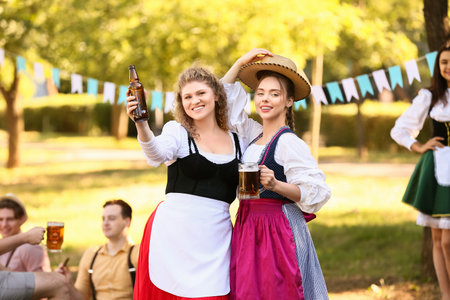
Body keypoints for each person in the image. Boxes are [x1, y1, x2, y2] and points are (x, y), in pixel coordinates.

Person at [222, 48, 331, 300]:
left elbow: (317, 193)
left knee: (280, 291)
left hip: (277, 229)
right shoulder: (253, 134)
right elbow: (222, 106)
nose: (265, 99)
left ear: (288, 101)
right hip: (248, 224)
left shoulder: (288, 143)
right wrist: (239, 64)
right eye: (260, 93)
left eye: (274, 94)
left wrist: (276, 184)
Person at [126, 67, 244, 299]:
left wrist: (240, 64)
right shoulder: (178, 132)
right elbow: (155, 155)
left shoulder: (239, 140)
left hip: (216, 240)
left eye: (201, 93)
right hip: (172, 236)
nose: (194, 101)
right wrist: (141, 124)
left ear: (217, 95)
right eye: (187, 97)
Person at [390, 42, 450, 300]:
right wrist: (418, 146)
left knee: (448, 241)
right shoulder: (430, 96)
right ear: (438, 65)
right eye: (445, 62)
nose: (448, 67)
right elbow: (399, 129)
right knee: (439, 240)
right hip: (438, 167)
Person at [57, 199, 139, 300]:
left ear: (127, 222)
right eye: (103, 219)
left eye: (111, 218)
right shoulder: (91, 254)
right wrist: (67, 283)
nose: (106, 223)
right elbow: (81, 297)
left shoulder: (137, 253)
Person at [0, 226, 70, 300]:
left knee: (55, 280)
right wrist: (27, 237)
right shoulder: (28, 248)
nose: (4, 224)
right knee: (59, 284)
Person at [0, 193, 51, 272]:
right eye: (0, 219)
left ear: (22, 219)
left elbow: (42, 281)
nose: (4, 225)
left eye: (10, 219)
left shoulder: (30, 247)